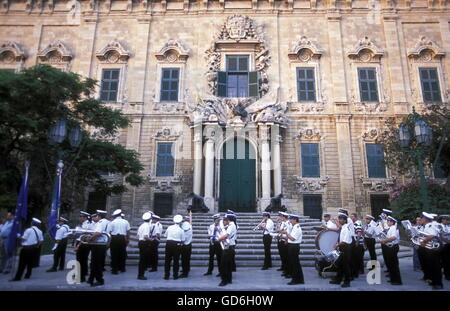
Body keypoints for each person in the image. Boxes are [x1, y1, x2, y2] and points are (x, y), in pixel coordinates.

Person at [421, 212, 443, 290]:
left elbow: (432, 235)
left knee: (435, 266)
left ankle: (438, 283)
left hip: (433, 249)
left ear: (426, 219)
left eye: (422, 218)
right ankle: (433, 281)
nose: (421, 219)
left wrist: (424, 241)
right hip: (430, 248)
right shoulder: (428, 225)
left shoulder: (431, 225)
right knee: (431, 265)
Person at [86, 211, 109, 287]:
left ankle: (100, 280)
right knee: (95, 263)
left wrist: (90, 238)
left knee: (96, 264)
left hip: (98, 244)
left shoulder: (100, 222)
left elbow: (98, 232)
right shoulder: (108, 222)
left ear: (99, 216)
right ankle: (91, 278)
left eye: (96, 216)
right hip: (102, 244)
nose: (96, 217)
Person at [330, 213, 352, 288]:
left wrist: (337, 245)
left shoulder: (346, 228)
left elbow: (345, 241)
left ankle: (347, 281)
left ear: (345, 220)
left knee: (345, 266)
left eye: (341, 219)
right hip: (342, 247)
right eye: (339, 219)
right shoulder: (343, 227)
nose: (340, 220)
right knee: (340, 264)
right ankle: (338, 279)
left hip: (345, 247)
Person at [107, 209, 130, 274]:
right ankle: (122, 268)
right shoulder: (126, 221)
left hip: (114, 238)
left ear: (115, 216)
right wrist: (127, 239)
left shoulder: (112, 222)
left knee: (114, 254)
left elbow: (109, 232)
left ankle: (115, 269)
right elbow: (128, 231)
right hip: (122, 238)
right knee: (122, 253)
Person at [380, 216, 402, 285]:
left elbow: (393, 237)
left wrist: (384, 240)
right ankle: (393, 279)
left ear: (392, 222)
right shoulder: (390, 228)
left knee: (393, 264)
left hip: (392, 247)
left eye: (388, 221)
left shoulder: (393, 228)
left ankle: (397, 280)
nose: (387, 222)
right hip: (389, 247)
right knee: (391, 264)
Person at [218, 213, 237, 286]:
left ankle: (224, 281)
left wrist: (219, 239)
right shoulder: (232, 225)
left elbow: (226, 235)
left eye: (226, 219)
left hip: (228, 248)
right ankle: (229, 279)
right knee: (228, 265)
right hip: (230, 247)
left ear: (228, 219)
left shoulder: (231, 226)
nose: (225, 220)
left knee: (224, 265)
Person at [164, 214, 185, 280]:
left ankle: (166, 275)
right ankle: (175, 275)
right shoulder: (181, 230)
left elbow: (165, 235)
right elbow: (183, 240)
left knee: (167, 260)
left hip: (169, 243)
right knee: (176, 261)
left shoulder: (169, 227)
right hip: (176, 245)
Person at [285, 214, 304, 285]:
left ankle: (295, 279)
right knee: (295, 263)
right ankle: (299, 279)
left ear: (295, 220)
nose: (290, 221)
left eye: (291, 219)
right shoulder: (294, 227)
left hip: (294, 247)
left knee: (294, 264)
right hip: (292, 246)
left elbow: (293, 238)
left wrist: (287, 234)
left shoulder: (297, 227)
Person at [75, 211, 93, 282]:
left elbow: (83, 237)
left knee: (80, 260)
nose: (79, 218)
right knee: (83, 260)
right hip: (84, 243)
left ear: (84, 217)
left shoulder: (86, 225)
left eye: (81, 216)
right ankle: (84, 273)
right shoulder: (86, 224)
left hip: (83, 244)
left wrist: (78, 245)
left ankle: (80, 277)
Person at [137, 212, 152, 280]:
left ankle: (141, 273)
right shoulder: (147, 226)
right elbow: (145, 236)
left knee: (142, 259)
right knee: (143, 260)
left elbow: (138, 235)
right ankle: (141, 275)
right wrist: (151, 239)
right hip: (144, 243)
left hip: (140, 242)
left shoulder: (141, 225)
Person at [350, 213, 364, 278]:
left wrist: (357, 242)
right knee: (357, 257)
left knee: (358, 257)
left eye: (352, 217)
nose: (350, 218)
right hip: (357, 242)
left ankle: (360, 270)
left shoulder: (357, 223)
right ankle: (359, 269)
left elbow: (359, 232)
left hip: (359, 243)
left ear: (355, 217)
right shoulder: (354, 223)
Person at [180, 213, 193, 278]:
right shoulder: (189, 225)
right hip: (189, 244)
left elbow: (183, 237)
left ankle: (185, 273)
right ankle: (186, 270)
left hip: (185, 245)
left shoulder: (184, 226)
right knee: (187, 259)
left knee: (184, 259)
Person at [439, 215, 450, 281]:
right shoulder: (439, 226)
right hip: (443, 245)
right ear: (443, 220)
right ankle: (446, 274)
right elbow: (441, 237)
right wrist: (448, 241)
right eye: (447, 220)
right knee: (445, 260)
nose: (448, 221)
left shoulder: (449, 226)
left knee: (447, 261)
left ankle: (447, 273)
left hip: (448, 245)